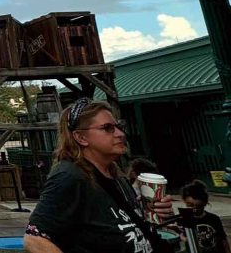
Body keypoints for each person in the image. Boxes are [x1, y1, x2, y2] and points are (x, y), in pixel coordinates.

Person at [23, 98, 174, 253]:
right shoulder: (69, 176)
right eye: (108, 128)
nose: (120, 134)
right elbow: (34, 239)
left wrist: (151, 211)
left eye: (119, 126)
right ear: (81, 137)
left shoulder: (115, 174)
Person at [181, 180, 230, 253]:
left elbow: (223, 240)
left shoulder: (214, 219)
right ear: (184, 201)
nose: (195, 210)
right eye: (190, 205)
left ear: (205, 203)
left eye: (199, 206)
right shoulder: (183, 220)